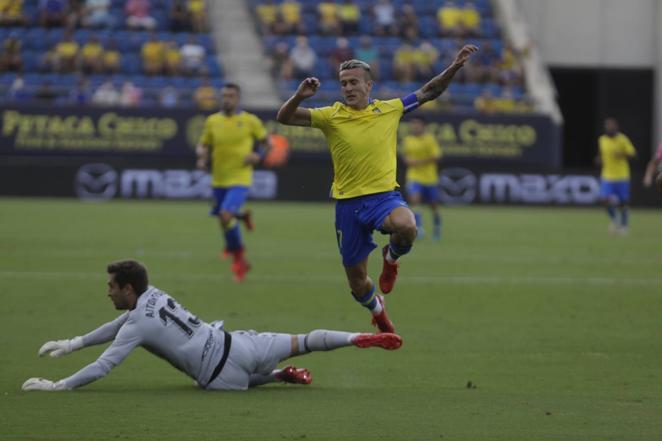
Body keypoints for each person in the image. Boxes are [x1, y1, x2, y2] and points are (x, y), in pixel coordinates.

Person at [277, 45, 479, 332]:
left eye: (354, 82)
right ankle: (378, 311)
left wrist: (455, 67)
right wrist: (299, 96)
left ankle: (391, 258)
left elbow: (429, 91)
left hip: (383, 197)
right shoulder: (330, 115)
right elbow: (284, 118)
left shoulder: (389, 109)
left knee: (407, 226)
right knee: (358, 284)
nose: (348, 88)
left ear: (368, 84)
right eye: (344, 83)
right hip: (348, 205)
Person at [22, 260, 402, 392]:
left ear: (127, 289)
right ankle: (357, 336)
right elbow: (118, 324)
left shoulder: (136, 325)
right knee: (304, 339)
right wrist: (73, 343)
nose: (107, 292)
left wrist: (60, 385)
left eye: (111, 287)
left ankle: (276, 376)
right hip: (237, 344)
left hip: (220, 379)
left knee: (243, 382)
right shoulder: (152, 294)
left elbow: (105, 363)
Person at [196, 83, 269, 282]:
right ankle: (242, 218)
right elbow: (203, 145)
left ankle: (240, 260)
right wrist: (202, 157)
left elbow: (266, 143)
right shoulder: (213, 121)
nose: (227, 99)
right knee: (223, 219)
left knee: (225, 215)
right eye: (224, 95)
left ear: (238, 98)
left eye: (231, 96)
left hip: (240, 177)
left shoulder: (249, 120)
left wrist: (257, 155)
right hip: (219, 178)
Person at [401, 116, 442, 240]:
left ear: (423, 126)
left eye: (417, 124)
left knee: (433, 205)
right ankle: (418, 227)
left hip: (430, 178)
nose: (415, 127)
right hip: (414, 176)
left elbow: (436, 157)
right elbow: (406, 157)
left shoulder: (430, 139)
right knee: (414, 200)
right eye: (413, 124)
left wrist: (419, 162)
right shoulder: (408, 140)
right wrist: (409, 161)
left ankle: (437, 225)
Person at [596, 118, 637, 235]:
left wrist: (622, 154)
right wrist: (599, 159)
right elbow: (601, 154)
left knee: (623, 203)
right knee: (604, 199)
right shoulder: (602, 140)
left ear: (616, 127)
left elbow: (633, 154)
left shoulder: (622, 139)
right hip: (607, 175)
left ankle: (624, 226)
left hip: (622, 175)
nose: (610, 129)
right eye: (608, 127)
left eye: (612, 127)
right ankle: (615, 218)